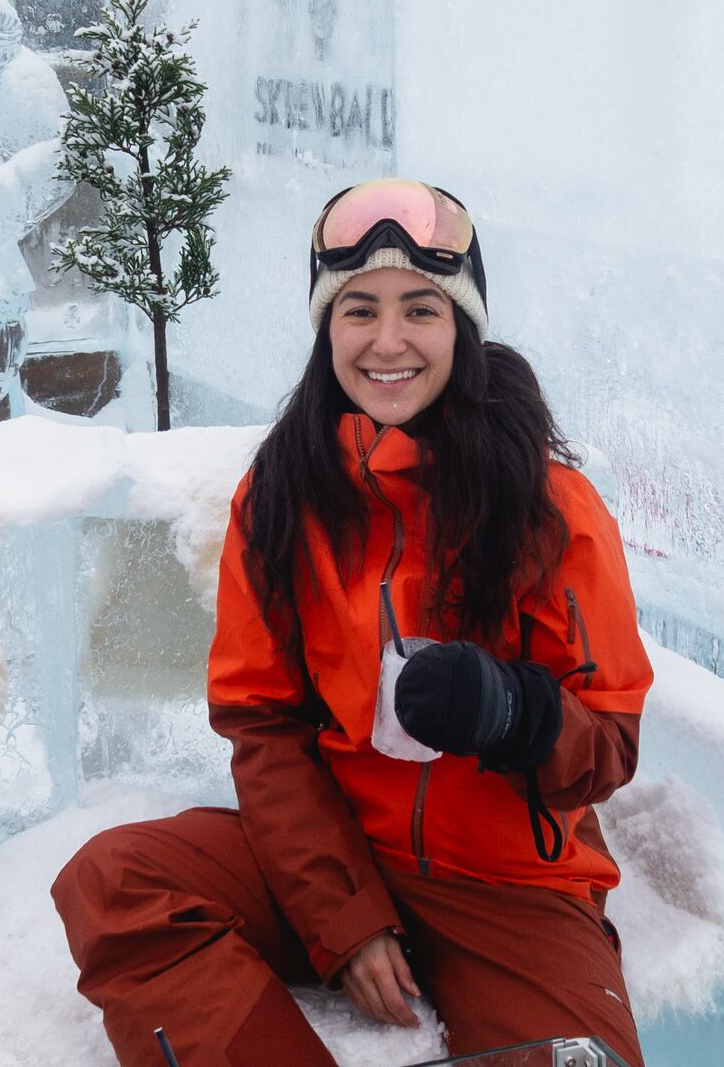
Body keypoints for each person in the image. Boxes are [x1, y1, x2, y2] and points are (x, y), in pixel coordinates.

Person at [51, 178, 654, 1067]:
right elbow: (263, 722)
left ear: (462, 329)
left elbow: (608, 744)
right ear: (326, 330)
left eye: (421, 309)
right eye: (357, 310)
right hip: (334, 857)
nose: (387, 342)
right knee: (115, 880)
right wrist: (347, 918)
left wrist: (510, 710)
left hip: (509, 888)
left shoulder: (549, 507)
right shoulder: (283, 495)